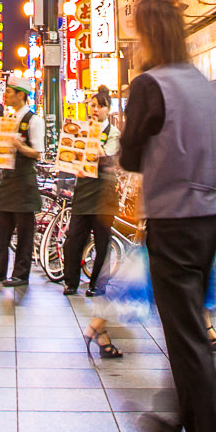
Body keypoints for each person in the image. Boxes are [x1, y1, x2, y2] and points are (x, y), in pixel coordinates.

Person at [116, 0, 216, 432]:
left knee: (189, 344)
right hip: (208, 220)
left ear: (147, 32)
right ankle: (172, 423)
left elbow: (128, 157)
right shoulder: (199, 82)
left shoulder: (148, 84)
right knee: (188, 332)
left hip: (171, 222)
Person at [0, 74, 44, 286]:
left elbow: (38, 153)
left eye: (9, 91)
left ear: (21, 95)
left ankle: (21, 274)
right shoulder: (8, 120)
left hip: (24, 181)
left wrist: (20, 147)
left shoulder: (34, 121)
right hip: (8, 181)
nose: (5, 95)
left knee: (24, 231)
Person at [63, 90, 120, 299]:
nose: (95, 110)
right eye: (93, 105)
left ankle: (98, 283)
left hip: (104, 192)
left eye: (100, 106)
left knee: (102, 241)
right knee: (74, 238)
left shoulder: (113, 132)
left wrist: (93, 140)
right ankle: (71, 281)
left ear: (108, 109)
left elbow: (107, 155)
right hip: (84, 189)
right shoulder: (80, 130)